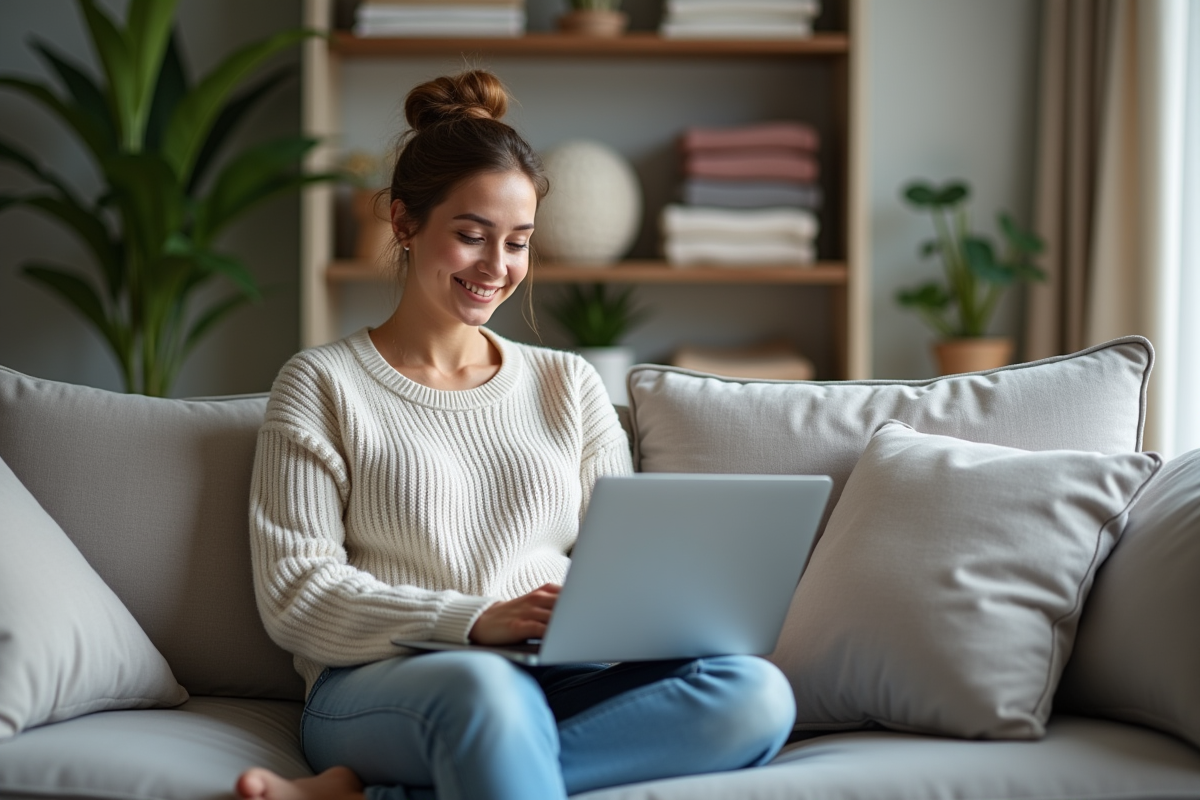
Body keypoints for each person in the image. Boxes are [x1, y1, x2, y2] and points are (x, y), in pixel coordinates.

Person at [235, 69, 796, 800]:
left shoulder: (569, 384)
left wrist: (643, 617)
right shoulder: (321, 385)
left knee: (754, 694)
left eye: (519, 243)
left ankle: (381, 794)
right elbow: (297, 595)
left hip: (553, 673)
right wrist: (474, 621)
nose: (497, 269)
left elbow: (619, 565)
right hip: (388, 682)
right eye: (471, 237)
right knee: (485, 699)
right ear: (404, 222)